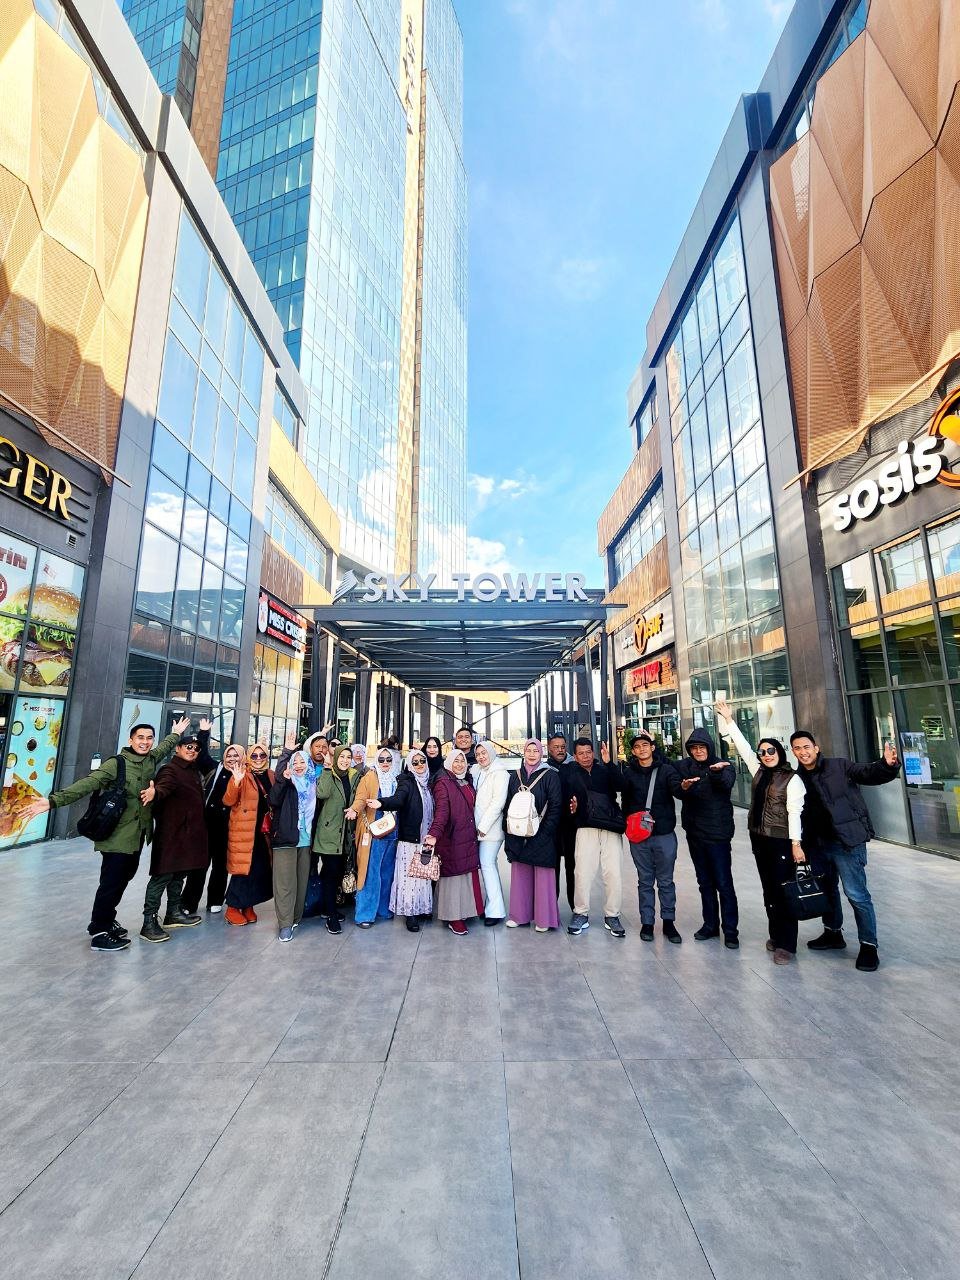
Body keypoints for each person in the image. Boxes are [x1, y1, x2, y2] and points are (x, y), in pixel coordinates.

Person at [21, 717, 189, 951]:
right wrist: (53, 801)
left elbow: (165, 747)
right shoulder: (116, 764)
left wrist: (176, 733)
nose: (145, 742)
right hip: (117, 835)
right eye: (140, 737)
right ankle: (100, 932)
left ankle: (105, 920)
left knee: (123, 879)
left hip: (137, 835)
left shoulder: (150, 759)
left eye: (149, 738)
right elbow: (88, 783)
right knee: (111, 883)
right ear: (130, 740)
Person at [790, 728, 900, 972]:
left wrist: (887, 765)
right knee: (827, 891)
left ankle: (869, 945)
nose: (803, 752)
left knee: (857, 895)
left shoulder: (839, 766)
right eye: (797, 748)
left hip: (846, 843)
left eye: (806, 747)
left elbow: (869, 773)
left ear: (816, 748)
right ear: (793, 752)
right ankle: (833, 933)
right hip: (817, 845)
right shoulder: (797, 778)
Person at [715, 702, 805, 964]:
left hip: (781, 842)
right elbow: (743, 747)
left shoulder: (792, 779)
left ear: (780, 753)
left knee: (783, 891)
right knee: (769, 891)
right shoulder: (759, 773)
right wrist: (729, 720)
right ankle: (776, 936)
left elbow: (795, 813)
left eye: (771, 751)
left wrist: (796, 843)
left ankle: (786, 945)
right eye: (763, 752)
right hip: (760, 839)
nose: (766, 755)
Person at [672, 727, 739, 948]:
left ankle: (730, 931)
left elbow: (726, 784)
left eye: (702, 747)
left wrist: (716, 772)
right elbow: (667, 768)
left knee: (723, 883)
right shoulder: (685, 766)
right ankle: (710, 925)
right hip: (695, 833)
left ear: (709, 747)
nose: (698, 751)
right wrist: (682, 787)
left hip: (718, 835)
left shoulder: (724, 765)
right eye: (694, 748)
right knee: (704, 882)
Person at [139, 733, 207, 942]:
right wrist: (155, 793)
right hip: (171, 834)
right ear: (177, 748)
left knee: (179, 874)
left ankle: (173, 913)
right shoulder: (170, 769)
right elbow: (164, 786)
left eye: (196, 748)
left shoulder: (192, 770)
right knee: (162, 875)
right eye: (188, 746)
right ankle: (148, 922)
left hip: (187, 834)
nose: (192, 750)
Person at [619, 730, 682, 944]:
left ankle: (668, 921)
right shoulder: (629, 773)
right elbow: (625, 802)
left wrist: (684, 787)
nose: (642, 749)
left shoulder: (666, 770)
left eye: (645, 745)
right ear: (633, 752)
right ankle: (647, 922)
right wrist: (628, 825)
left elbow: (677, 790)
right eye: (637, 747)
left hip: (664, 834)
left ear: (653, 748)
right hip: (639, 837)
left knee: (666, 881)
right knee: (645, 880)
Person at [566, 738, 627, 938]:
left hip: (610, 826)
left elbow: (622, 786)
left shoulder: (604, 770)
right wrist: (573, 808)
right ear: (575, 756)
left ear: (593, 752)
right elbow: (566, 800)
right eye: (581, 753)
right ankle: (580, 913)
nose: (585, 756)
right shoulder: (571, 774)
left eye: (588, 752)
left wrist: (609, 763)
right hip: (585, 827)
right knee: (582, 872)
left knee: (613, 873)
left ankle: (612, 915)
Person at [503, 739, 562, 930]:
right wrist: (509, 831)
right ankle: (519, 916)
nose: (531, 754)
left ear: (541, 753)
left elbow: (556, 806)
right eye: (528, 750)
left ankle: (544, 919)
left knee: (543, 876)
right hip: (518, 833)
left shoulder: (550, 775)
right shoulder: (515, 776)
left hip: (543, 834)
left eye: (535, 750)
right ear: (523, 752)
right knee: (520, 875)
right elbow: (508, 805)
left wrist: (545, 833)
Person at [375, 748, 436, 931]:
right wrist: (381, 802)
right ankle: (410, 914)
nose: (419, 765)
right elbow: (398, 799)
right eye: (415, 762)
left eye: (422, 761)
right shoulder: (406, 781)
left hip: (426, 838)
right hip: (410, 839)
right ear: (409, 765)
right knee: (410, 878)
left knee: (423, 876)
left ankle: (422, 908)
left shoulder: (429, 783)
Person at [424, 748, 483, 935]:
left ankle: (465, 911)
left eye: (462, 760)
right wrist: (434, 833)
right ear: (448, 763)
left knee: (466, 875)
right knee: (454, 878)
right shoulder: (443, 783)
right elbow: (442, 812)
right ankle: (453, 917)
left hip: (467, 836)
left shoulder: (466, 780)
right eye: (455, 761)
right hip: (452, 837)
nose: (459, 764)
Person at [180, 722, 235, 916]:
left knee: (221, 866)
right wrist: (204, 732)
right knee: (199, 865)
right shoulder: (213, 767)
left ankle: (215, 900)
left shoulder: (243, 776)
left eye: (236, 756)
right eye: (229, 755)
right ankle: (189, 902)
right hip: (206, 824)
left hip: (228, 827)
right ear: (224, 756)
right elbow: (201, 754)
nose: (232, 758)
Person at [222, 745, 275, 926]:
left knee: (259, 869)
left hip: (264, 832)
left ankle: (247, 905)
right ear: (248, 757)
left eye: (262, 755)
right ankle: (232, 907)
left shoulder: (271, 775)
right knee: (243, 870)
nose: (258, 758)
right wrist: (236, 782)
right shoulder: (242, 774)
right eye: (254, 755)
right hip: (245, 830)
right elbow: (228, 800)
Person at [269, 748, 316, 942]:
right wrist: (283, 780)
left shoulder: (313, 784)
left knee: (301, 881)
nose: (298, 766)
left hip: (305, 839)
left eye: (302, 762)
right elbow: (273, 800)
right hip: (285, 838)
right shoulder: (286, 783)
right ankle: (285, 924)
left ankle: (295, 917)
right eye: (294, 762)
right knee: (285, 883)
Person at [351, 748, 401, 927]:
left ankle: (383, 909)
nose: (385, 762)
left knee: (387, 872)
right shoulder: (370, 777)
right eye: (381, 759)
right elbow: (361, 798)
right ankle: (365, 914)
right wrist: (354, 809)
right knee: (370, 872)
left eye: (388, 759)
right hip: (374, 832)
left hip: (392, 832)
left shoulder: (397, 778)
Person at [313, 746, 357, 935]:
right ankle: (330, 915)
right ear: (336, 757)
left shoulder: (354, 776)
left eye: (348, 757)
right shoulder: (328, 774)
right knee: (331, 874)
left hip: (345, 835)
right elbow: (322, 793)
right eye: (342, 757)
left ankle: (327, 907)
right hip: (329, 833)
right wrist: (326, 769)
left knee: (337, 873)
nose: (345, 760)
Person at [472, 740, 508, 925]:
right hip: (479, 828)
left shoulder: (500, 773)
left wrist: (483, 827)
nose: (481, 757)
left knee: (487, 864)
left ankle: (495, 911)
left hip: (490, 830)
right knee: (485, 866)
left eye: (484, 753)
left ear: (491, 753)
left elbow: (498, 803)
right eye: (478, 754)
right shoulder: (478, 771)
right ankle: (488, 907)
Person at [546, 733, 576, 910]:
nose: (560, 750)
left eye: (563, 747)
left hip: (572, 825)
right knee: (553, 867)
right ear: (549, 749)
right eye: (556, 747)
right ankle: (551, 907)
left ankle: (575, 906)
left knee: (573, 867)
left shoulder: (574, 766)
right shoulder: (544, 769)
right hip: (552, 826)